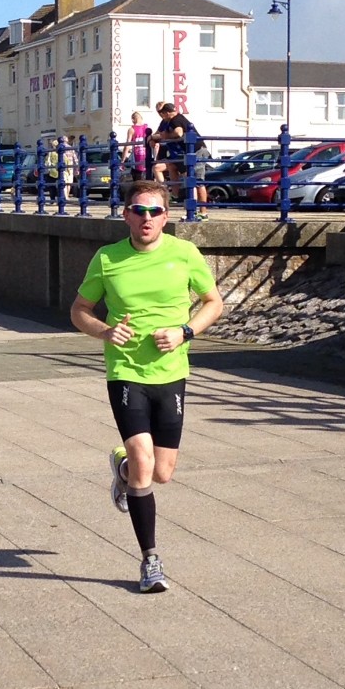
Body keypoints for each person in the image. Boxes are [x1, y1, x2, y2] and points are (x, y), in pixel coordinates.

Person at [70, 179, 224, 592]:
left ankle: (120, 467)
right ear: (125, 215)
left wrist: (184, 332)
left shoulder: (185, 253)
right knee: (144, 461)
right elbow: (79, 310)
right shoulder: (107, 259)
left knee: (163, 473)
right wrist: (104, 332)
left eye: (155, 212)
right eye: (139, 210)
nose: (147, 219)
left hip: (171, 371)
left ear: (166, 217)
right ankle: (150, 561)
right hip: (125, 372)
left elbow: (214, 303)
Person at [150, 103, 210, 219]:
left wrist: (167, 136)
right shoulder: (173, 120)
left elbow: (178, 132)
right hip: (191, 152)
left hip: (196, 151)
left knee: (197, 182)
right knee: (193, 180)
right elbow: (158, 134)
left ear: (167, 113)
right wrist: (153, 138)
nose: (162, 116)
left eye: (162, 114)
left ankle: (200, 212)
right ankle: (195, 210)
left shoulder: (175, 119)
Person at [121, 111, 149, 180]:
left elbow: (127, 145)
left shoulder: (132, 129)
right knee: (148, 180)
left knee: (137, 179)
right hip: (147, 155)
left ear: (133, 119)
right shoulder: (147, 128)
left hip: (137, 157)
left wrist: (123, 160)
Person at [57, 135, 78, 202]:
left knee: (63, 182)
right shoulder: (70, 148)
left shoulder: (59, 148)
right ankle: (67, 195)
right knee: (69, 182)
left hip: (63, 167)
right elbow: (75, 158)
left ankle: (65, 196)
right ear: (67, 140)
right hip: (70, 167)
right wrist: (77, 168)